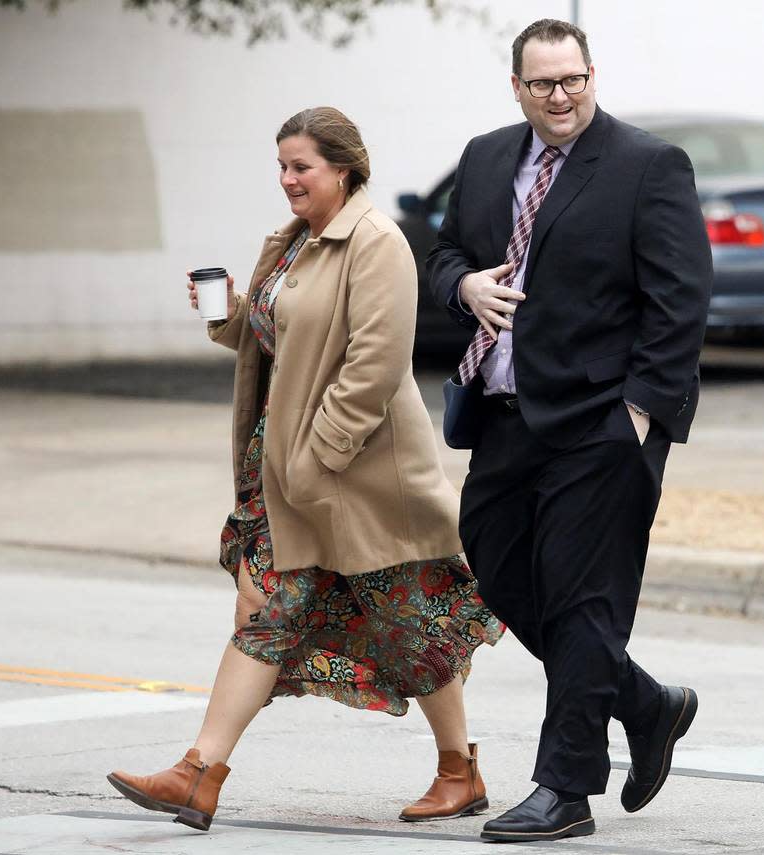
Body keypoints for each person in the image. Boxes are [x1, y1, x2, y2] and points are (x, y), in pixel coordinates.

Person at [107, 106, 503, 831]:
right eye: (282, 167)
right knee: (270, 609)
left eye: (302, 167)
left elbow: (375, 363)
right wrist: (227, 314)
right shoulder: (293, 242)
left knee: (407, 618)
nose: (288, 180)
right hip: (286, 470)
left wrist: (321, 457)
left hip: (357, 475)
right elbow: (280, 338)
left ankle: (457, 769)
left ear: (343, 167)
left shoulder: (375, 242)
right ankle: (199, 773)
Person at [428, 19, 712, 843]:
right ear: (516, 87)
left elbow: (680, 300)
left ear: (593, 76)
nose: (560, 97)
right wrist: (466, 286)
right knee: (501, 571)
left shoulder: (647, 165)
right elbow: (444, 252)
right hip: (506, 416)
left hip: (602, 422)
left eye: (573, 80)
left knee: (585, 601)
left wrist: (640, 416)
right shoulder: (487, 157)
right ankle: (643, 702)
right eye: (543, 83)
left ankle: (565, 788)